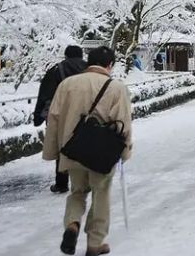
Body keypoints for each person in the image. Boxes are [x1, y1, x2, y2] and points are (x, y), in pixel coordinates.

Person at [42, 46, 133, 256]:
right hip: (102, 153)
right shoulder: (116, 87)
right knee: (101, 194)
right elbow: (123, 123)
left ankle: (72, 224)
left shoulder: (67, 85)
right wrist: (125, 152)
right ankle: (95, 243)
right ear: (109, 65)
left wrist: (53, 151)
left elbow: (53, 119)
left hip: (73, 150)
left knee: (77, 191)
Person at [33, 45, 88, 194]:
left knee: (62, 147)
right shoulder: (90, 70)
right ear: (81, 55)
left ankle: (61, 183)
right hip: (86, 114)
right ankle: (85, 182)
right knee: (86, 145)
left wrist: (38, 116)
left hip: (62, 114)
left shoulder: (56, 70)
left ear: (66, 56)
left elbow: (45, 94)